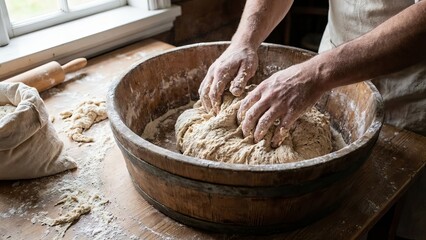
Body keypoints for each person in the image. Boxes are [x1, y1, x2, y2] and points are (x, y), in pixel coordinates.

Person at [198, 0, 426, 239]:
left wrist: (316, 74)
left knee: (390, 216)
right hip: (336, 57)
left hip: (410, 94)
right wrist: (244, 40)